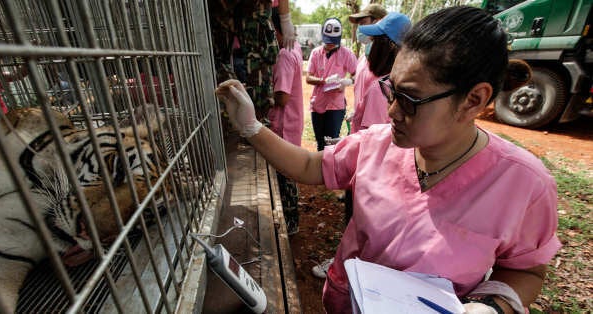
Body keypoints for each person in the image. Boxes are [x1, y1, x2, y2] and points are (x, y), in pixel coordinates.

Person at [216, 5, 561, 314]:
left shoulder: (522, 184)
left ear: (473, 100)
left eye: (410, 99)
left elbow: (525, 270)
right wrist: (250, 128)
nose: (393, 110)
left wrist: (492, 307)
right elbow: (310, 166)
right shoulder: (376, 144)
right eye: (391, 90)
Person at [312, 11, 412, 280]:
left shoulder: (385, 87)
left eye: (375, 39)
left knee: (360, 220)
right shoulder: (385, 77)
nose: (368, 41)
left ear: (389, 46)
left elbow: (374, 136)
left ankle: (348, 268)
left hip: (372, 166)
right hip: (375, 162)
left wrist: (348, 145)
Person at [268, 12, 304, 235]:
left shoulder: (284, 54)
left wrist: (263, 98)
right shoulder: (296, 48)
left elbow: (282, 97)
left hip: (283, 125)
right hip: (292, 122)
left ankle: (290, 222)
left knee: (285, 174)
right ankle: (292, 219)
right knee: (288, 172)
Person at [306, 18, 357, 151]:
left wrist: (348, 81)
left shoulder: (347, 54)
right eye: (327, 41)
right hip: (318, 103)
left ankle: (329, 170)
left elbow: (357, 75)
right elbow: (308, 77)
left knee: (331, 142)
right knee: (320, 142)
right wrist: (324, 81)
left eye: (333, 42)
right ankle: (319, 170)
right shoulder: (316, 53)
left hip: (336, 105)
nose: (329, 45)